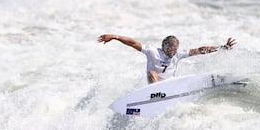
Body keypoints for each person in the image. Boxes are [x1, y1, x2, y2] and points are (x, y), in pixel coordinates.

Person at [97, 34, 236, 83]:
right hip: (154, 87)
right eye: (170, 48)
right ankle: (158, 93)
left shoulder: (178, 53)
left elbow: (200, 50)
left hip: (170, 86)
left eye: (175, 49)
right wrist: (115, 37)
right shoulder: (152, 51)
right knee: (152, 73)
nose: (173, 52)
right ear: (164, 46)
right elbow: (133, 43)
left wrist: (222, 47)